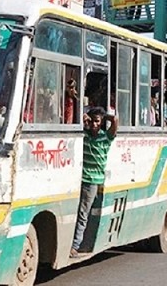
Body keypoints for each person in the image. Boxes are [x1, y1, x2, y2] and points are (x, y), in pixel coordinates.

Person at [71, 106, 118, 258]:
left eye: (97, 122)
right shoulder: (84, 135)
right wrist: (87, 117)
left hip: (92, 181)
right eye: (92, 121)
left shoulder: (106, 138)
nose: (94, 124)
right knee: (79, 212)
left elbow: (115, 120)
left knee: (83, 213)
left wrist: (104, 116)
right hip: (80, 178)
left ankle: (75, 245)